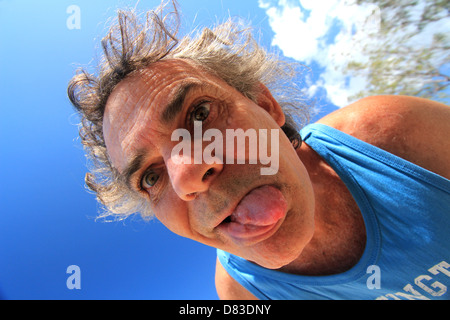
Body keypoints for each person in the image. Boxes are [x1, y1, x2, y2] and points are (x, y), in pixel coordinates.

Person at [67, 2, 450, 300]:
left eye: (200, 113)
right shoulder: (241, 292)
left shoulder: (389, 136)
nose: (186, 176)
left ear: (266, 105)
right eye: (151, 176)